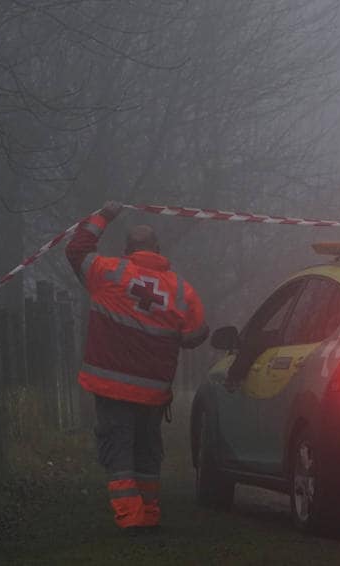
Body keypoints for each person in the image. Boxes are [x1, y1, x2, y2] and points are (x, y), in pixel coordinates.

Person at [66, 200, 208, 531]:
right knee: (147, 450)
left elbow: (77, 250)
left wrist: (103, 215)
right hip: (153, 392)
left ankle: (130, 518)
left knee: (118, 451)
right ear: (157, 249)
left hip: (112, 387)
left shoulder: (107, 273)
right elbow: (196, 335)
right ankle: (150, 513)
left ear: (127, 249)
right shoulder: (182, 291)